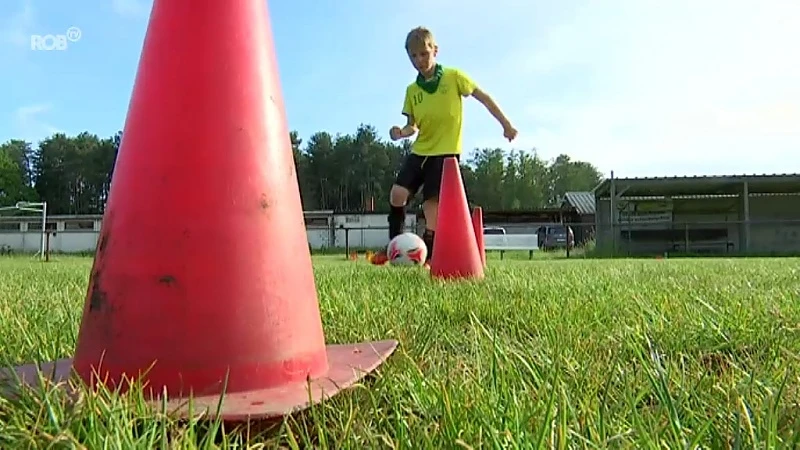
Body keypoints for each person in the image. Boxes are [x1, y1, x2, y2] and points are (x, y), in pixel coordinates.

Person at [371, 26, 517, 266]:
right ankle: (394, 247)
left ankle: (429, 257)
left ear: (435, 50)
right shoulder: (412, 90)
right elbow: (412, 125)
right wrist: (401, 132)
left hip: (445, 154)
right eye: (413, 56)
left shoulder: (454, 77)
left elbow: (484, 97)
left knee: (431, 207)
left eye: (423, 54)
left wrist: (506, 124)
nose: (419, 60)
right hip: (420, 151)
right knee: (397, 194)